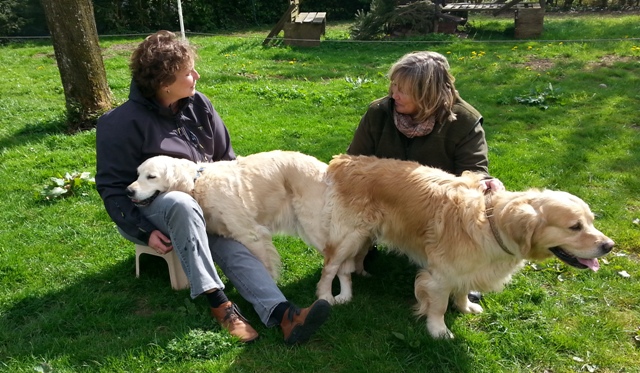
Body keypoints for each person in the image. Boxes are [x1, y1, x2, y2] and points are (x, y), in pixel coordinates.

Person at [95, 30, 330, 344]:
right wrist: (143, 230)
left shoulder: (199, 105)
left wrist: (236, 208)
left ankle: (283, 314)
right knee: (181, 204)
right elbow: (112, 189)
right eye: (188, 72)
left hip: (205, 202)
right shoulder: (119, 124)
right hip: (151, 212)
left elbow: (226, 160)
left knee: (230, 238)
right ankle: (220, 304)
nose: (197, 76)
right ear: (165, 83)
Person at [347, 51, 505, 303]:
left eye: (402, 90)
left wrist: (485, 183)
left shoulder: (465, 121)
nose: (393, 94)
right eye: (393, 85)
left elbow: (474, 171)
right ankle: (358, 247)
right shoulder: (378, 112)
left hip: (435, 208)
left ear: (427, 93)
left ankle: (464, 272)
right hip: (382, 199)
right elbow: (353, 161)